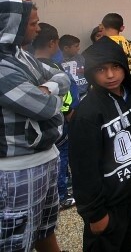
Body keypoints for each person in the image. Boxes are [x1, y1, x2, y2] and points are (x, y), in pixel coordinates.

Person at [0, 0, 70, 252]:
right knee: (16, 242)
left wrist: (47, 87)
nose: (38, 29)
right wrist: (49, 93)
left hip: (45, 158)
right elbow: (46, 108)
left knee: (44, 230)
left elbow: (62, 76)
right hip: (17, 171)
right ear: (12, 26)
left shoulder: (21, 57)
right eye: (33, 23)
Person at [69, 36, 131, 251]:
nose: (110, 75)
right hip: (108, 203)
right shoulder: (88, 113)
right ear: (90, 73)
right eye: (101, 69)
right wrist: (94, 213)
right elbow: (82, 167)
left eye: (115, 66)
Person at [33, 23, 79, 211]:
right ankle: (61, 195)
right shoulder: (53, 67)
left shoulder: (26, 64)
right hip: (59, 119)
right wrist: (68, 112)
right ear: (54, 43)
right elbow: (67, 91)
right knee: (61, 156)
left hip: (38, 124)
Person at [59, 34, 88, 99]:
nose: (79, 48)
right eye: (76, 46)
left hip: (85, 93)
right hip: (70, 96)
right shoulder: (58, 62)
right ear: (66, 48)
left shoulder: (80, 58)